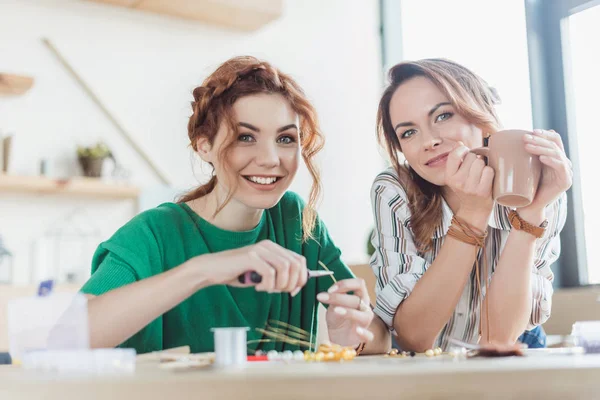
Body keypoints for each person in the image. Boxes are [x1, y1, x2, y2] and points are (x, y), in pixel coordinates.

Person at [80, 56, 389, 355]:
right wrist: (202, 271)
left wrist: (355, 336)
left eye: (285, 139)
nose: (270, 159)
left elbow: (379, 338)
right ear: (204, 145)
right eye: (245, 137)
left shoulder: (298, 222)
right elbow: (66, 336)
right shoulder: (153, 235)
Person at [370, 58, 571, 352]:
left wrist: (530, 211)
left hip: (513, 349)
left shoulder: (539, 183)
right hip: (427, 358)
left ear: (480, 117)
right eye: (408, 132)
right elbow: (414, 337)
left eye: (442, 116)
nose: (429, 141)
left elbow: (498, 340)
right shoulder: (395, 190)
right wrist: (473, 213)